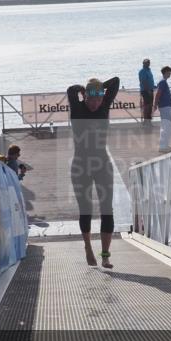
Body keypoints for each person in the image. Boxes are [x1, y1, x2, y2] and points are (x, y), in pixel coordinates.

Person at [66, 76, 120, 268]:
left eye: (99, 99)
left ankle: (105, 255)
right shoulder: (77, 107)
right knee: (86, 209)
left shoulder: (105, 106)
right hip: (80, 165)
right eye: (92, 99)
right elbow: (71, 90)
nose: (96, 104)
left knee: (107, 209)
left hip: (102, 163)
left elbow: (115, 82)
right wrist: (84, 89)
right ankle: (88, 247)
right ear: (86, 97)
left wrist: (98, 88)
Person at [153, 66, 171, 152]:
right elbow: (158, 94)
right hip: (164, 106)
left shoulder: (163, 82)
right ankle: (162, 146)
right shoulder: (162, 82)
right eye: (169, 72)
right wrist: (155, 105)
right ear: (165, 72)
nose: (170, 74)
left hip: (166, 106)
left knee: (167, 125)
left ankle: (165, 145)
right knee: (166, 126)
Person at [138, 58, 156, 125]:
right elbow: (143, 82)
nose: (148, 63)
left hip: (150, 90)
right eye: (146, 62)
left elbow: (150, 80)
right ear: (143, 63)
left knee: (150, 105)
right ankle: (145, 121)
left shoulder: (149, 70)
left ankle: (149, 121)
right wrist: (148, 90)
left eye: (148, 62)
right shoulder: (142, 71)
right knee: (147, 106)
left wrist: (154, 86)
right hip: (145, 91)